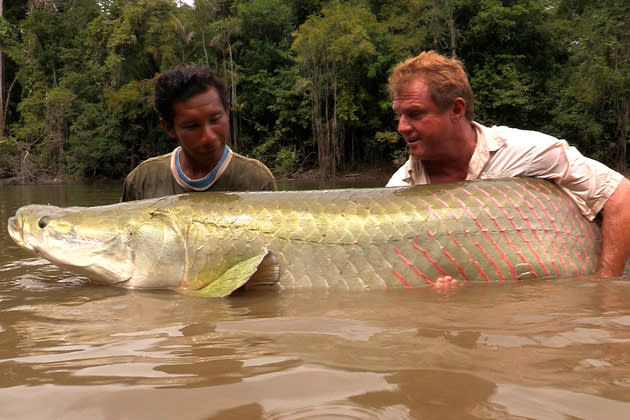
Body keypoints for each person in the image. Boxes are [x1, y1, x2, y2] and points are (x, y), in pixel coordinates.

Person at [386, 51, 630, 278]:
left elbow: (622, 196)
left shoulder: (526, 152)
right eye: (400, 115)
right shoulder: (398, 191)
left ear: (457, 109)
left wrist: (606, 288)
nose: (402, 127)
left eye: (415, 114)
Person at [122, 65, 276, 201]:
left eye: (215, 120)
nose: (209, 137)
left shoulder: (257, 180)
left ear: (227, 111)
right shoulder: (143, 181)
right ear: (169, 128)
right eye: (192, 126)